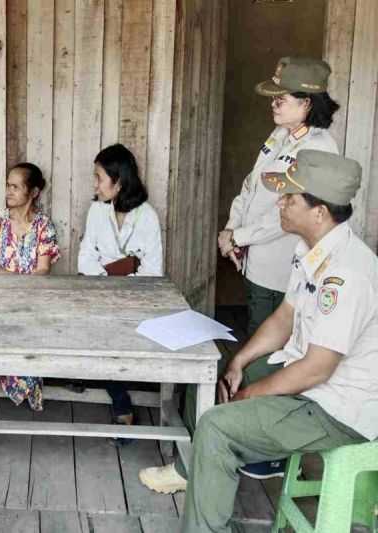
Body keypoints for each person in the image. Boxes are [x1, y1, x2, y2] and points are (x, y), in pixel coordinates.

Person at [167, 150, 372, 532]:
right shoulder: (310, 250)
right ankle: (206, 469)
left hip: (338, 408)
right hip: (309, 381)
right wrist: (240, 362)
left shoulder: (347, 274)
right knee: (215, 379)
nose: (280, 202)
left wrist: (253, 393)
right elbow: (284, 317)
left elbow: (317, 369)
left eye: (290, 198)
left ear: (319, 211)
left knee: (217, 427)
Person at [215, 56, 340, 479]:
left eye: (282, 98)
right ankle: (255, 439)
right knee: (258, 343)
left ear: (307, 102)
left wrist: (241, 237)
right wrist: (231, 227)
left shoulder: (319, 149)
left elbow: (286, 213)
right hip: (257, 262)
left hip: (284, 268)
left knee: (278, 358)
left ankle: (270, 451)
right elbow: (252, 187)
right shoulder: (280, 134)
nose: (274, 104)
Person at [77, 144, 163, 432]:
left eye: (99, 178)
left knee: (118, 330)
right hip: (98, 294)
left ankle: (119, 396)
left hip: (136, 299)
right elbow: (85, 259)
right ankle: (118, 394)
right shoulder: (97, 211)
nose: (95, 184)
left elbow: (152, 271)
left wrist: (120, 277)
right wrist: (122, 269)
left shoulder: (147, 216)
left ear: (119, 182)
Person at [0, 162, 60, 411]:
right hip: (1, 299)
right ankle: (14, 385)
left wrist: (24, 293)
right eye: (7, 185)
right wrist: (14, 286)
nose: (8, 191)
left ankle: (27, 386)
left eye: (15, 187)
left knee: (32, 326)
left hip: (34, 300)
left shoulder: (44, 226)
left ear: (33, 192)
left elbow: (43, 269)